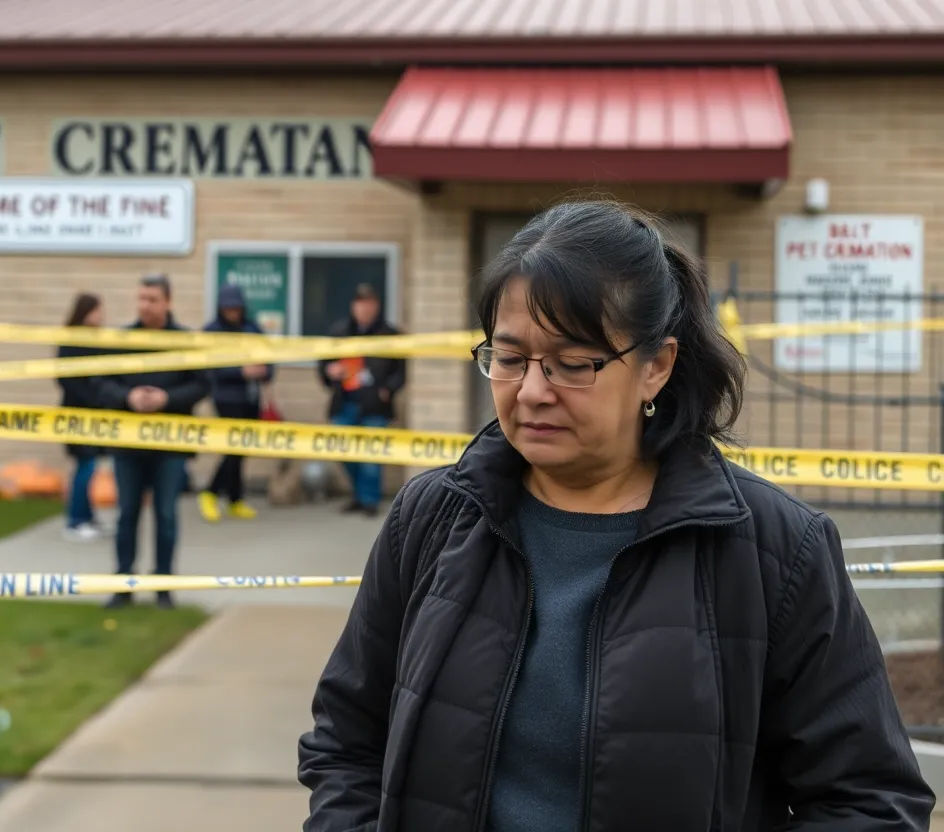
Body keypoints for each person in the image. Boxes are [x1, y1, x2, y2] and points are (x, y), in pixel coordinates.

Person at [298, 201, 935, 831]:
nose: (533, 391)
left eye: (574, 364)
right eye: (510, 359)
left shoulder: (776, 550)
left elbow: (871, 800)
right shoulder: (431, 519)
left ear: (656, 366)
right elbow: (346, 742)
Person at [90, 274, 209, 610]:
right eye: (141, 298)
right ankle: (123, 585)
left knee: (166, 515)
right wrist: (127, 397)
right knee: (127, 514)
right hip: (128, 446)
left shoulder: (186, 341)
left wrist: (166, 398)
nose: (145, 305)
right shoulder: (122, 340)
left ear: (168, 301)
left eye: (152, 299)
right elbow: (101, 382)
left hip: (170, 447)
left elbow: (202, 385)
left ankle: (163, 586)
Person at [316, 283, 405, 517]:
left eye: (369, 303)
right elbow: (323, 365)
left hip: (375, 405)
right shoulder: (339, 332)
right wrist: (330, 372)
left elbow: (400, 372)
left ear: (377, 306)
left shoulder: (390, 334)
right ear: (352, 306)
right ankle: (358, 494)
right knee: (342, 450)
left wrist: (388, 390)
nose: (364, 308)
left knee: (371, 456)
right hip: (345, 402)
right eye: (360, 303)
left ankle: (369, 500)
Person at [197, 284, 273, 523]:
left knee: (242, 448)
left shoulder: (252, 328)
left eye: (236, 308)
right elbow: (209, 369)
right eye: (228, 308)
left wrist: (265, 371)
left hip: (251, 397)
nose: (233, 312)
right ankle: (210, 492)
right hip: (226, 398)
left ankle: (235, 499)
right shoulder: (212, 331)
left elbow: (269, 358)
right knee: (233, 448)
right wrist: (241, 372)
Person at [55, 292, 108, 542]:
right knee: (85, 466)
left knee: (90, 466)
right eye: (96, 311)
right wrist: (92, 398)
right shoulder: (71, 341)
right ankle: (75, 521)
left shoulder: (98, 341)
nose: (100, 316)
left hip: (94, 415)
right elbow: (66, 379)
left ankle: (87, 517)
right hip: (76, 414)